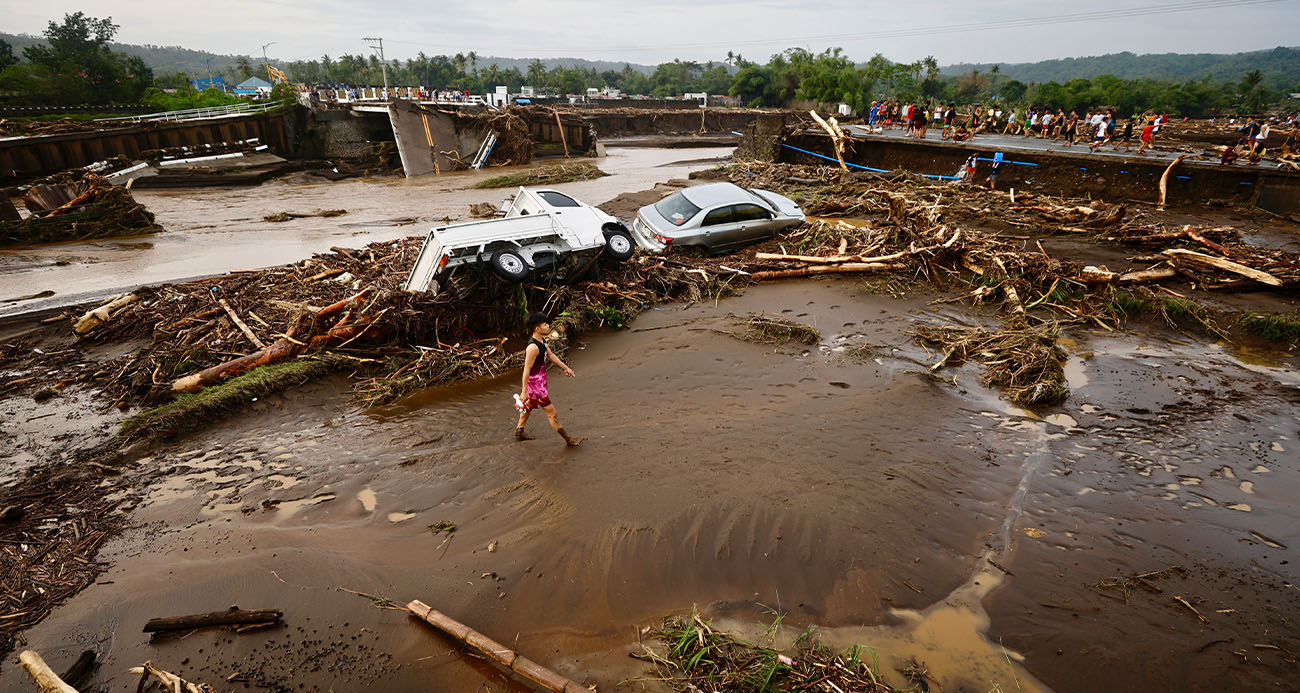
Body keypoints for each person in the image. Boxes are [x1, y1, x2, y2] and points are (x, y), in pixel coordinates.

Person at [515, 312, 583, 446]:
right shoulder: (533, 348)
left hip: (539, 384)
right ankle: (568, 440)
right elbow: (526, 370)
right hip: (537, 388)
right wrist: (524, 391)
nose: (548, 326)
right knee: (552, 414)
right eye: (545, 324)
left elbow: (551, 356)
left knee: (528, 406)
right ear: (537, 328)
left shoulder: (542, 341)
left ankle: (519, 431)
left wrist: (565, 368)